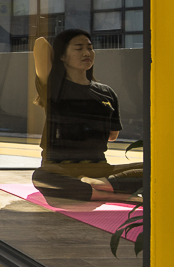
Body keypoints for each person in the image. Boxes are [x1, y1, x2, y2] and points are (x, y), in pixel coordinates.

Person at [30, 29, 142, 202]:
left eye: (90, 48)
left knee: (152, 168)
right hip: (60, 168)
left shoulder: (107, 92)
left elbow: (113, 136)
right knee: (41, 177)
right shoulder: (54, 87)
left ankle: (101, 185)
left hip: (100, 168)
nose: (86, 53)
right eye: (78, 48)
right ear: (61, 56)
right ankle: (113, 191)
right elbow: (40, 45)